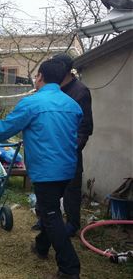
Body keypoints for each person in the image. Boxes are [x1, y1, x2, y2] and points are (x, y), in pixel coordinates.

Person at [0, 59, 82, 278]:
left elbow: (6, 128)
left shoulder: (32, 104)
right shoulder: (73, 105)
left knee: (51, 215)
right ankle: (42, 246)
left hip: (46, 170)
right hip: (67, 168)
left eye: (36, 76)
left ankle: (70, 268)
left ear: (40, 77)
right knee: (48, 209)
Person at [54, 53, 93, 237]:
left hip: (70, 149)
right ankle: (48, 220)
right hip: (52, 147)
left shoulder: (80, 91)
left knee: (71, 188)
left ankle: (72, 224)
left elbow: (85, 128)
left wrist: (73, 149)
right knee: (50, 187)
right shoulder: (54, 89)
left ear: (65, 68)